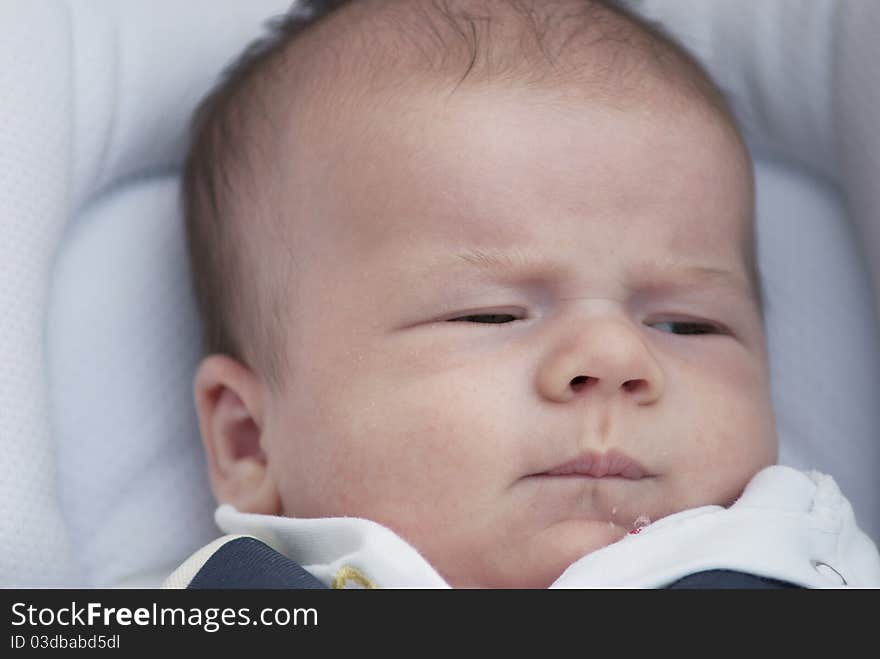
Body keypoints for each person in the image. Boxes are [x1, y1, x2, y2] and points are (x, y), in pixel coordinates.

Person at [165, 0, 880, 588]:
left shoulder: (794, 555)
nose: (613, 353)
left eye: (688, 324)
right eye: (489, 313)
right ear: (248, 438)